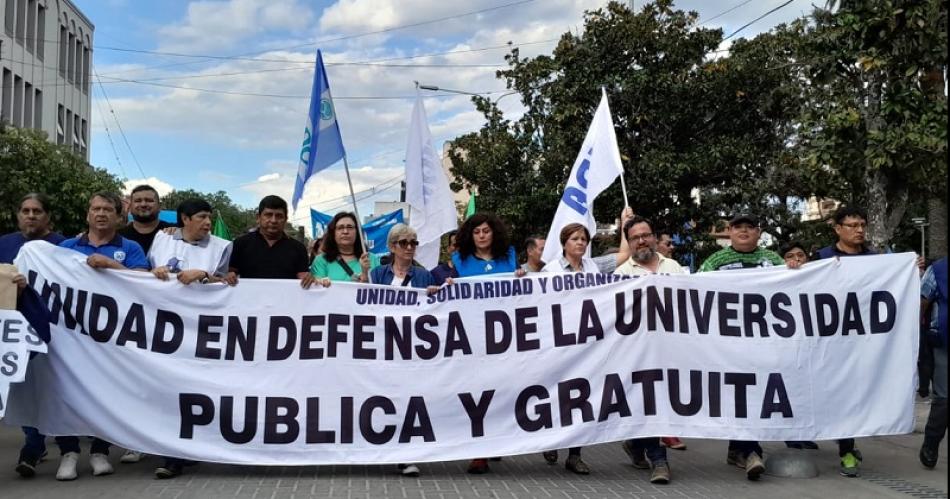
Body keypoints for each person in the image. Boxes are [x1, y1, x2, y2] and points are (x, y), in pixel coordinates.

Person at [56, 191, 150, 481]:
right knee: (66, 394)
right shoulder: (66, 247)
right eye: (95, 208)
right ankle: (68, 453)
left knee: (108, 394)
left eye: (107, 209)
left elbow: (144, 284)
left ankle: (100, 450)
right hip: (71, 335)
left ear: (118, 217)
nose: (101, 214)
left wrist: (112, 266)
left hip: (112, 339)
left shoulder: (130, 247)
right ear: (87, 214)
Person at [697, 214, 780, 480]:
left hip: (765, 343)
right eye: (738, 227)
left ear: (759, 232)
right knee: (740, 395)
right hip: (728, 345)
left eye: (750, 227)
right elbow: (694, 292)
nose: (744, 231)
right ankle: (752, 452)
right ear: (729, 232)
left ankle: (739, 449)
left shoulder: (774, 260)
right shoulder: (714, 261)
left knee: (756, 396)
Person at [452, 213, 524, 474]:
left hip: (504, 336)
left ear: (494, 233)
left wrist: (521, 280)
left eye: (486, 231)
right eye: (476, 232)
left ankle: (496, 441)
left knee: (502, 391)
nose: (481, 236)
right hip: (473, 336)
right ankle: (478, 451)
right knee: (477, 393)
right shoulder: (459, 260)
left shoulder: (510, 256)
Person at [1, 194, 65, 479]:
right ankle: (33, 444)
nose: (30, 216)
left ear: (47, 216)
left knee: (52, 386)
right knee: (22, 386)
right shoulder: (4, 244)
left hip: (56, 328)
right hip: (12, 330)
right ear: (18, 215)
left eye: (37, 211)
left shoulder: (63, 246)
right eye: (25, 210)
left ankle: (66, 444)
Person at [613, 216, 681, 484]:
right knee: (650, 402)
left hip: (673, 351)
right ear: (628, 243)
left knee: (662, 402)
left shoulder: (674, 267)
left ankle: (636, 444)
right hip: (638, 354)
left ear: (654, 237)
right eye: (634, 237)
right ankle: (659, 459)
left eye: (645, 235)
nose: (641, 240)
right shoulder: (622, 275)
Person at [369, 224, 438, 477]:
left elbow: (436, 308)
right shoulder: (377, 274)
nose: (409, 247)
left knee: (409, 400)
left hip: (412, 351)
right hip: (381, 349)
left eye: (413, 242)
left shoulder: (424, 276)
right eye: (403, 243)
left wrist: (434, 295)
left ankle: (406, 455)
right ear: (391, 247)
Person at [538, 223, 598, 475]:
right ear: (564, 243)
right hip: (558, 341)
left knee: (581, 396)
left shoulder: (592, 268)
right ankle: (550, 440)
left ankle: (575, 454)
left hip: (585, 343)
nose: (581, 243)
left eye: (584, 239)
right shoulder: (550, 270)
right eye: (575, 238)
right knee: (556, 393)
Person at [778, 241, 820, 451]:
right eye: (789, 256)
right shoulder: (775, 279)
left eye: (801, 255)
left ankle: (804, 433)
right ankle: (791, 434)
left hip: (810, 345)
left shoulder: (817, 279)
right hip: (784, 347)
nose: (796, 259)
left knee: (807, 390)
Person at [228, 196, 310, 283]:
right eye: (268, 215)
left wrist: (308, 279)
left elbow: (303, 276)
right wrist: (228, 275)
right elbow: (230, 272)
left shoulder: (298, 248)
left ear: (285, 219)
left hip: (285, 296)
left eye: (279, 216)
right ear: (258, 218)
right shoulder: (240, 244)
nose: (273, 220)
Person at [919, 257, 947, 469]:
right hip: (945, 342)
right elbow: (922, 302)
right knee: (944, 398)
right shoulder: (937, 270)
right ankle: (931, 442)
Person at [310, 212, 380, 283]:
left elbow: (380, 289)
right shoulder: (321, 261)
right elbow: (317, 289)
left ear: (358, 232)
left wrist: (365, 276)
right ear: (333, 233)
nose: (345, 231)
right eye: (340, 228)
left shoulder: (372, 259)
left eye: (350, 227)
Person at [120, 184, 173, 255]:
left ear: (159, 207)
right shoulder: (118, 236)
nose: (143, 204)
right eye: (138, 201)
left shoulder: (173, 232)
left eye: (149, 200)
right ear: (130, 207)